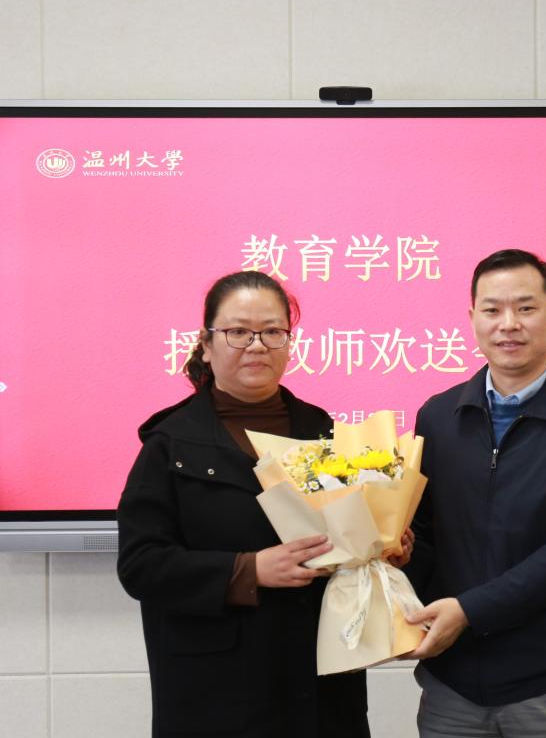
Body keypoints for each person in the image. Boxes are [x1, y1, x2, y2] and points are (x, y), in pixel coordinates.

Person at [117, 271, 388, 738]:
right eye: (238, 331)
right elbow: (141, 565)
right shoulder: (169, 443)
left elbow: (347, 541)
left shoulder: (322, 430)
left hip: (318, 683)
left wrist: (382, 544)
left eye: (272, 331)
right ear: (206, 344)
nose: (257, 345)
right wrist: (249, 570)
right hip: (215, 692)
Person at [402, 249, 546, 738]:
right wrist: (398, 558)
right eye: (492, 310)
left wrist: (469, 612)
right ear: (473, 319)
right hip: (453, 686)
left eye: (526, 308)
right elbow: (426, 534)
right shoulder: (438, 416)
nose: (508, 324)